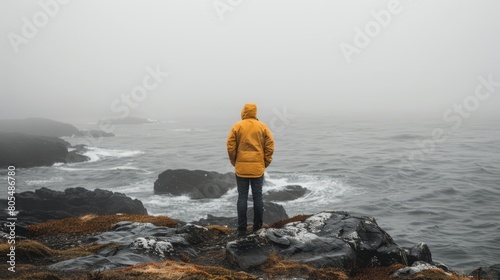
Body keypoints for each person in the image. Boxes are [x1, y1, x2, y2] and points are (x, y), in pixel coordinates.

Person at [227, 103, 274, 236]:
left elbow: (230, 146)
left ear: (243, 112)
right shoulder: (262, 126)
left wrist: (234, 161)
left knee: (242, 197)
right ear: (255, 112)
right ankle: (257, 227)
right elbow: (270, 146)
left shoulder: (237, 126)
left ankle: (241, 228)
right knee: (257, 197)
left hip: (241, 167)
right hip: (257, 167)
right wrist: (265, 162)